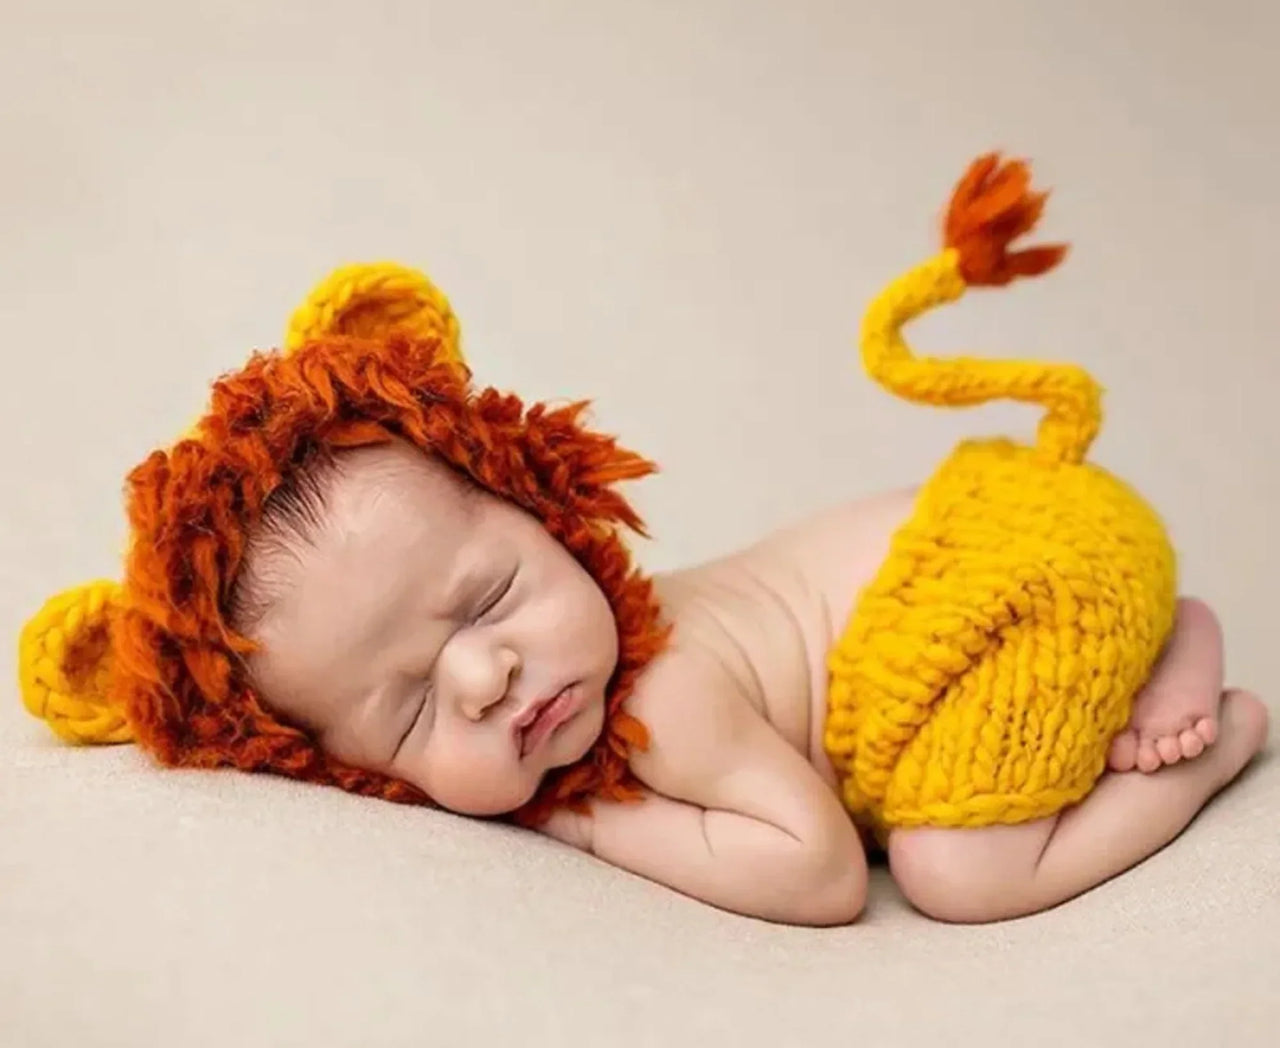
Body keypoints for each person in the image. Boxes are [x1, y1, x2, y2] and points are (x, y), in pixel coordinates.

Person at [20, 156, 1269, 926]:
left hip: (1010, 573)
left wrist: (584, 820)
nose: (482, 674)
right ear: (355, 770)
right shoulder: (565, 665)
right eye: (405, 713)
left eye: (489, 597)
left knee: (957, 872)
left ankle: (1202, 730)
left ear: (545, 514)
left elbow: (820, 871)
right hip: (1005, 544)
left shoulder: (661, 700)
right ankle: (1155, 644)